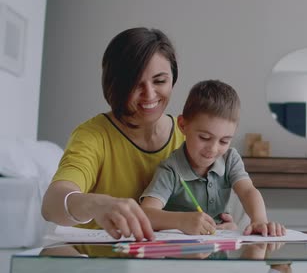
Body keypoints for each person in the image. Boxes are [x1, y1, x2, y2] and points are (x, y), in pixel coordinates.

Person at [41, 27, 235, 242]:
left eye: (160, 81)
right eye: (135, 84)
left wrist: (220, 226)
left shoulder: (194, 137)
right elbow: (52, 205)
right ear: (116, 85)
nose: (150, 94)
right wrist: (99, 204)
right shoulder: (94, 136)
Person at [140, 80, 286, 237]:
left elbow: (248, 191)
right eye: (204, 137)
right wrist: (181, 221)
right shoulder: (171, 169)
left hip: (219, 250)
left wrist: (259, 220)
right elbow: (146, 213)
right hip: (179, 254)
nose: (214, 149)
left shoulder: (230, 159)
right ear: (182, 125)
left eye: (224, 141)